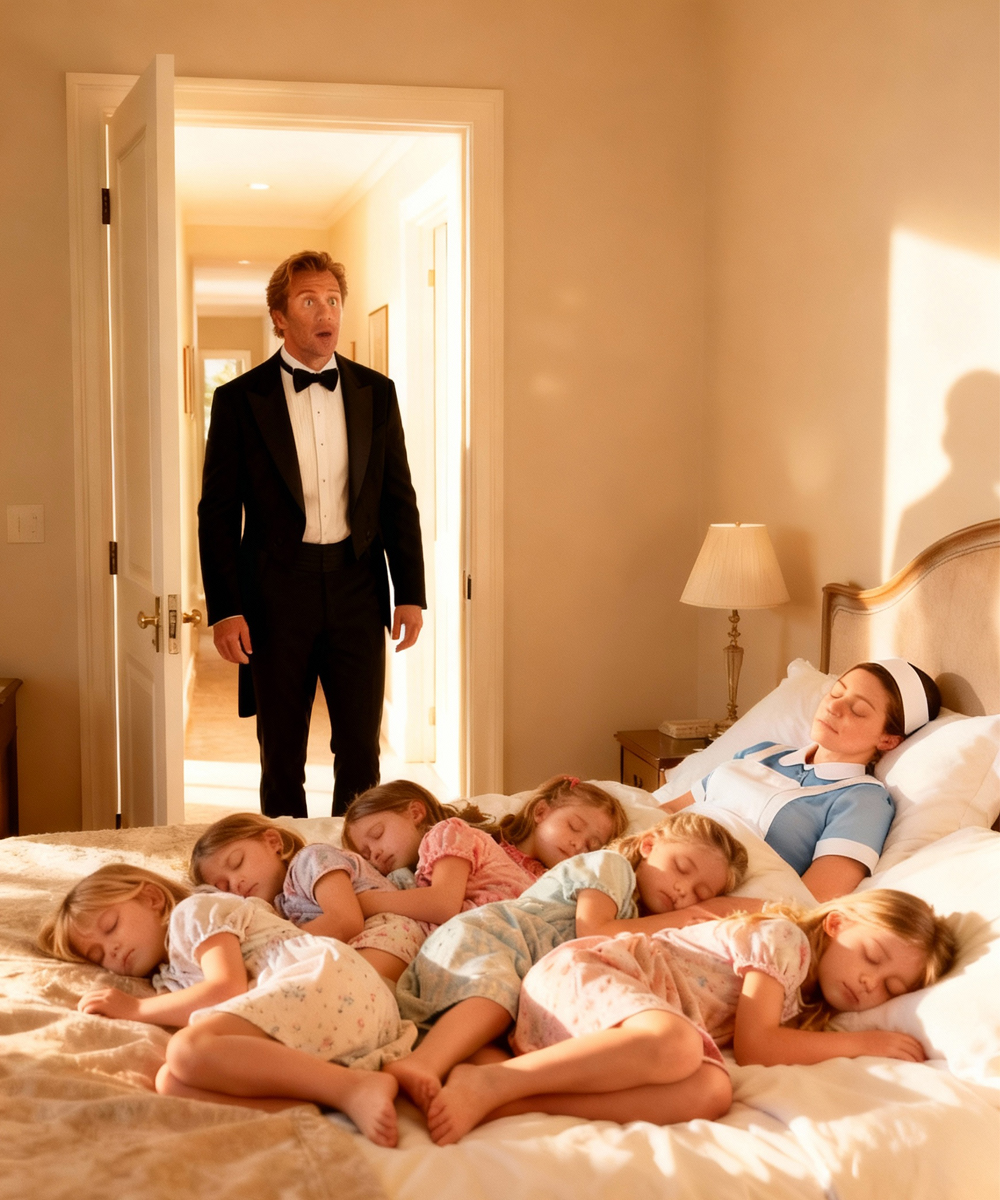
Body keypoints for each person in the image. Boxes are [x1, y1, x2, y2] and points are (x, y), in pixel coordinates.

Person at [424, 888, 957, 1144]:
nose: (871, 985)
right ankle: (499, 1079)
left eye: (891, 989)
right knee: (678, 1046)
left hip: (611, 1030)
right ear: (837, 924)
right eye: (874, 959)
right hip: (589, 974)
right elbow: (758, 1047)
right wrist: (866, 1044)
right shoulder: (786, 941)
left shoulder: (806, 999)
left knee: (711, 1093)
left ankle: (503, 1097)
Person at [198, 250, 426, 818]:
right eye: (308, 301)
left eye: (332, 300)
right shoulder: (238, 401)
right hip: (276, 592)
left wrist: (412, 592)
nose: (325, 312)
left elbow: (398, 499)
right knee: (281, 754)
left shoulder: (378, 393)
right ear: (280, 316)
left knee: (360, 750)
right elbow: (218, 514)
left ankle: (359, 866)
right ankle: (285, 870)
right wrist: (225, 608)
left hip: (357, 589)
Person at [386, 812, 748, 1112]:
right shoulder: (612, 866)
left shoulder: (641, 923)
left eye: (701, 892)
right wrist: (697, 913)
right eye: (681, 868)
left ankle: (488, 1087)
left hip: (527, 992)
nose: (685, 891)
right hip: (496, 938)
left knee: (499, 1046)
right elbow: (592, 929)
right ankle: (423, 1063)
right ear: (649, 845)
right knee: (493, 1000)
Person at [38, 863, 414, 1146]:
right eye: (97, 953)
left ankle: (350, 1088)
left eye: (110, 926)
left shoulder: (194, 914)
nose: (112, 950)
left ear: (151, 898)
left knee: (186, 1049)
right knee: (171, 1082)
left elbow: (225, 987)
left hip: (326, 984)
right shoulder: (167, 979)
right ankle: (314, 1105)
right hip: (319, 1025)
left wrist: (135, 1010)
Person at [660, 659, 941, 902]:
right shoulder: (762, 751)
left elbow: (809, 900)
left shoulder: (862, 801)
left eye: (858, 710)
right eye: (835, 693)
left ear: (888, 740)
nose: (834, 708)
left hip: (695, 897)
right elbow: (668, 811)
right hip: (656, 856)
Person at [341, 778, 626, 926]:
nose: (580, 845)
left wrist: (362, 903)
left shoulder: (562, 880)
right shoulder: (474, 841)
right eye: (574, 827)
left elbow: (441, 903)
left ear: (416, 811)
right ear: (540, 811)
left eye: (592, 846)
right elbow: (442, 903)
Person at [189, 812, 432, 984]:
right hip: (348, 949)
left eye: (237, 862)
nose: (235, 883)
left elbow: (345, 921)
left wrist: (274, 951)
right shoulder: (277, 907)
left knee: (336, 986)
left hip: (387, 933)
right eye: (223, 887)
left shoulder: (311, 859)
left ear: (272, 842)